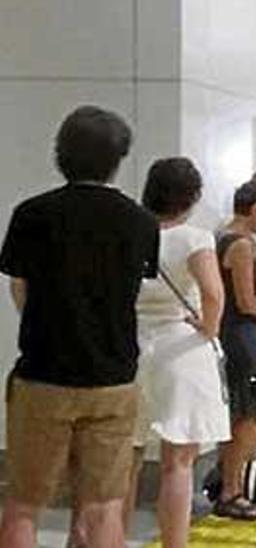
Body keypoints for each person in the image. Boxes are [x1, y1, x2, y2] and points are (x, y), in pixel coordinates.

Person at [0, 106, 159, 548]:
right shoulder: (141, 222)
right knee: (104, 505)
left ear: (60, 153)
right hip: (112, 379)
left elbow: (21, 289)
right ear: (119, 158)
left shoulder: (32, 214)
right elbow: (135, 289)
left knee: (24, 505)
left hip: (43, 376)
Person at [132, 157, 232, 547]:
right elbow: (212, 293)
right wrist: (209, 327)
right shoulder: (195, 237)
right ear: (192, 197)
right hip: (181, 349)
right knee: (178, 462)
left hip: (135, 348)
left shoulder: (133, 234)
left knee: (127, 460)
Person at [213, 179, 256, 520]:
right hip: (243, 336)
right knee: (248, 416)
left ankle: (229, 481)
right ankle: (231, 490)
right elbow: (246, 301)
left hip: (231, 334)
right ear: (255, 210)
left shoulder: (219, 235)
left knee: (243, 414)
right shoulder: (240, 245)